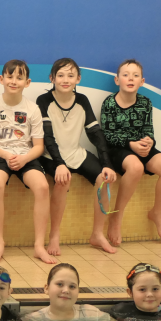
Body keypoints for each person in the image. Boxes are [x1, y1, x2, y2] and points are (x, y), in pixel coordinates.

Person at [36, 58, 118, 255]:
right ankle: (54, 236)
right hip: (50, 156)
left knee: (104, 179)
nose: (66, 80)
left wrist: (106, 164)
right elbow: (47, 137)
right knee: (63, 181)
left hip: (76, 153)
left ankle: (97, 234)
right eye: (61, 75)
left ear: (78, 79)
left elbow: (95, 134)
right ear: (52, 78)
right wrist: (60, 164)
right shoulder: (43, 100)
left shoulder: (82, 100)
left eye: (71, 75)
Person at [0, 60, 52, 264]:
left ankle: (39, 245)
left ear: (27, 83)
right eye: (10, 77)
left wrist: (24, 158)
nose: (14, 81)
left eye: (19, 78)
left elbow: (38, 146)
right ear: (1, 79)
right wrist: (5, 156)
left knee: (43, 187)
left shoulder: (33, 108)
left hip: (25, 156)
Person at [100, 59, 161, 245]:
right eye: (125, 75)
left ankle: (157, 213)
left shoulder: (145, 102)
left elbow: (148, 129)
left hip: (141, 147)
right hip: (118, 149)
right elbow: (108, 135)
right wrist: (131, 144)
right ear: (117, 80)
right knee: (135, 168)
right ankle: (116, 217)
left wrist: (148, 141)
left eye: (135, 76)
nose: (130, 79)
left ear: (142, 81)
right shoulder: (109, 103)